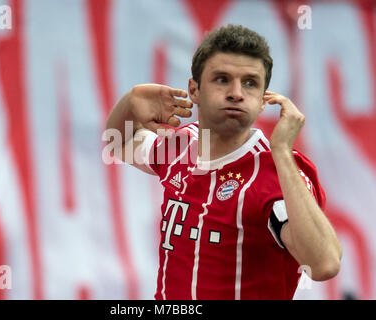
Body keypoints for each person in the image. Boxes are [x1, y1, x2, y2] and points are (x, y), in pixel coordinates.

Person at [105, 24, 342, 299]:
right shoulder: (182, 145)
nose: (236, 93)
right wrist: (129, 102)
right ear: (194, 90)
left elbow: (323, 264)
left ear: (264, 100)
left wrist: (282, 153)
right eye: (222, 79)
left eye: (250, 83)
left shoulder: (276, 173)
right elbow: (117, 143)